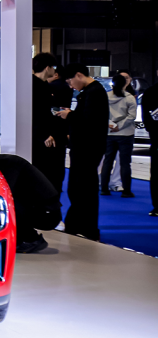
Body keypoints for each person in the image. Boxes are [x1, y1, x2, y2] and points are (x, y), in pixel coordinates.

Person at [56, 64, 109, 240]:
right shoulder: (91, 91)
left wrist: (69, 116)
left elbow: (89, 121)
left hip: (87, 149)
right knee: (79, 188)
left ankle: (85, 228)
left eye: (70, 81)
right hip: (84, 148)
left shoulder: (94, 92)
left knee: (83, 189)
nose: (71, 86)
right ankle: (78, 225)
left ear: (78, 75)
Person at [31, 53, 67, 195]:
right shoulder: (35, 86)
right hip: (43, 139)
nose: (55, 70)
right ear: (47, 68)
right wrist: (43, 135)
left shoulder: (44, 85)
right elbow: (34, 113)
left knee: (53, 176)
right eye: (53, 67)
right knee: (47, 176)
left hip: (49, 136)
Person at [100, 70, 136, 198]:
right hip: (126, 134)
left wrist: (111, 125)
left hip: (109, 133)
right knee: (125, 163)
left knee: (107, 161)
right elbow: (131, 117)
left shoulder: (105, 96)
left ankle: (104, 188)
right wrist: (119, 126)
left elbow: (101, 114)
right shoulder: (130, 98)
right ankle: (126, 191)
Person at [142, 81, 158, 217]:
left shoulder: (150, 92)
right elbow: (146, 117)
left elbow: (146, 118)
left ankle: (157, 206)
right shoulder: (151, 92)